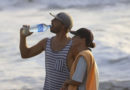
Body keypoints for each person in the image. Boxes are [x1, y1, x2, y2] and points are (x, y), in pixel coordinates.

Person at [20, 12, 76, 90]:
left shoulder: (72, 47)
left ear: (63, 25)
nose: (52, 21)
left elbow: (78, 76)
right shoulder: (46, 42)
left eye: (56, 20)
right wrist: (23, 37)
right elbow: (25, 54)